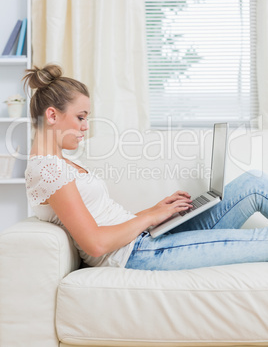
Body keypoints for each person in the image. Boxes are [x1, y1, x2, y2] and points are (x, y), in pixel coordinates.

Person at [23, 64, 268, 270]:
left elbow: (106, 221)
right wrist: (151, 217)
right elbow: (95, 243)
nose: (86, 126)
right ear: (53, 116)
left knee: (252, 183)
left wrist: (156, 211)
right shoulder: (48, 170)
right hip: (140, 253)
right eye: (81, 117)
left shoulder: (59, 163)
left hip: (144, 239)